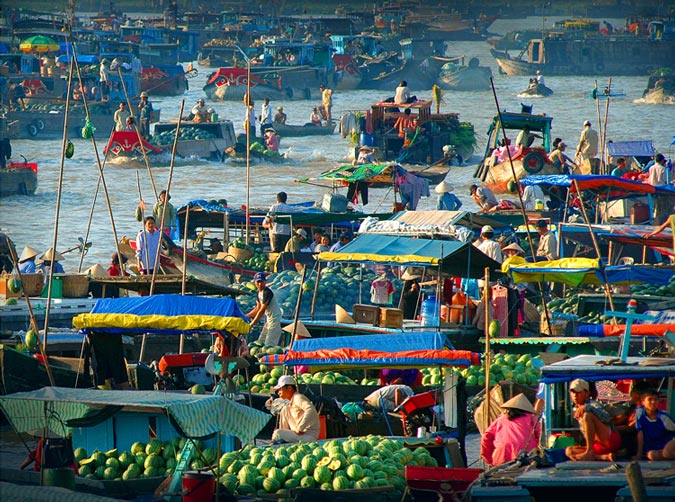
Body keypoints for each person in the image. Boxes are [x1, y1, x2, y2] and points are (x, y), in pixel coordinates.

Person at [565, 378, 621, 461]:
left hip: (609, 440)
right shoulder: (575, 409)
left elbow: (606, 417)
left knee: (588, 415)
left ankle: (589, 452)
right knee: (569, 451)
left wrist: (588, 407)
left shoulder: (593, 404)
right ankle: (603, 457)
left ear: (587, 393)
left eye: (578, 392)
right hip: (597, 445)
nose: (575, 395)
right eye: (572, 392)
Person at [481, 394, 541, 466]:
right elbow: (541, 435)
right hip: (526, 456)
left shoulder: (501, 419)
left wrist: (488, 459)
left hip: (501, 456)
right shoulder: (531, 419)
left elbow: (486, 436)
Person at [268, 375, 321, 443]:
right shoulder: (290, 403)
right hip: (299, 435)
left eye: (280, 389)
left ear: (289, 388)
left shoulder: (298, 397)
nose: (278, 392)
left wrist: (300, 428)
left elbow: (310, 409)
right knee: (285, 409)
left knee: (278, 433)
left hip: (308, 436)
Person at [634, 389, 675, 460]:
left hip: (667, 446)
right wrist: (639, 454)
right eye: (650, 399)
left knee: (667, 452)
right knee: (652, 455)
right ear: (643, 402)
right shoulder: (639, 413)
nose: (653, 402)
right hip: (653, 450)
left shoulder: (664, 417)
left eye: (655, 399)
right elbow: (640, 432)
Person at [247, 272, 283, 346]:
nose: (260, 284)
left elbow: (261, 311)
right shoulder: (259, 293)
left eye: (261, 282)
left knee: (269, 345)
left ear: (265, 282)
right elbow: (257, 308)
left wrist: (251, 324)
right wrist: (245, 316)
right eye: (258, 282)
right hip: (268, 321)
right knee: (260, 343)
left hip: (275, 321)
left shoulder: (267, 292)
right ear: (255, 282)